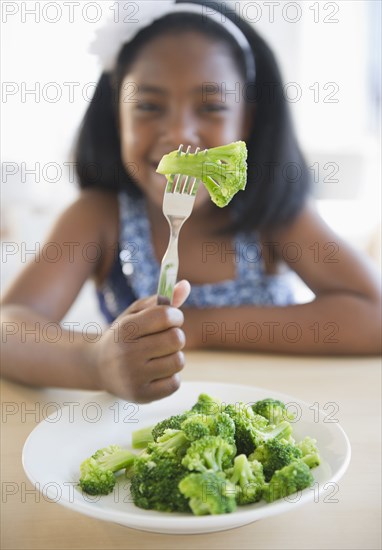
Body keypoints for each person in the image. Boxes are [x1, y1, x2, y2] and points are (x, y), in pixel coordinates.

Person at [1, 0, 381, 403]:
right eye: (148, 106)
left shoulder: (274, 215)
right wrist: (94, 361)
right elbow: (9, 327)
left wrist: (200, 326)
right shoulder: (99, 218)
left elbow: (374, 316)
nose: (180, 133)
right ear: (118, 115)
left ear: (246, 120)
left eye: (212, 107)